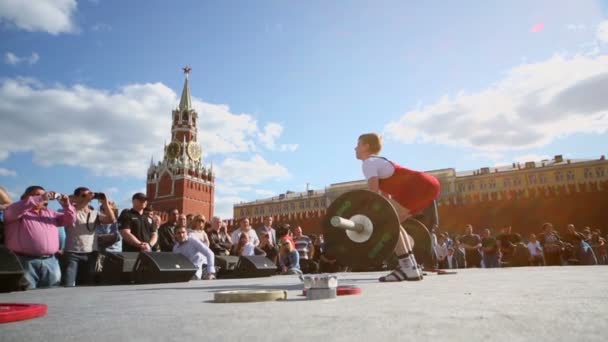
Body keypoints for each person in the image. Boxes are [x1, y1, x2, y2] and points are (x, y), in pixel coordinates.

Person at [355, 133, 440, 282]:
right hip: (427, 185)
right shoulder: (378, 162)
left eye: (358, 144)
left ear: (366, 146)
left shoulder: (369, 162)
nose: (355, 148)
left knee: (387, 224)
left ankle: (406, 265)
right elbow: (385, 199)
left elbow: (373, 193)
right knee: (393, 223)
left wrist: (365, 213)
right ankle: (411, 267)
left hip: (419, 186)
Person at [4, 186, 76, 289]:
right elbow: (13, 210)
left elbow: (70, 219)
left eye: (43, 194)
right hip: (24, 261)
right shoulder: (15, 212)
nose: (42, 197)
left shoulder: (50, 213)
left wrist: (66, 205)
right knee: (27, 296)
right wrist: (41, 198)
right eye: (37, 195)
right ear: (25, 197)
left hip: (50, 261)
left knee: (51, 295)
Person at [63, 187, 116, 287]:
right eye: (83, 195)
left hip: (90, 253)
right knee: (68, 285)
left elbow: (111, 220)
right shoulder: (70, 211)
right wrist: (86, 200)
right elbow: (72, 214)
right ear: (75, 198)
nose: (87, 198)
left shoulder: (94, 213)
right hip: (72, 253)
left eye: (88, 196)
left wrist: (105, 203)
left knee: (86, 286)